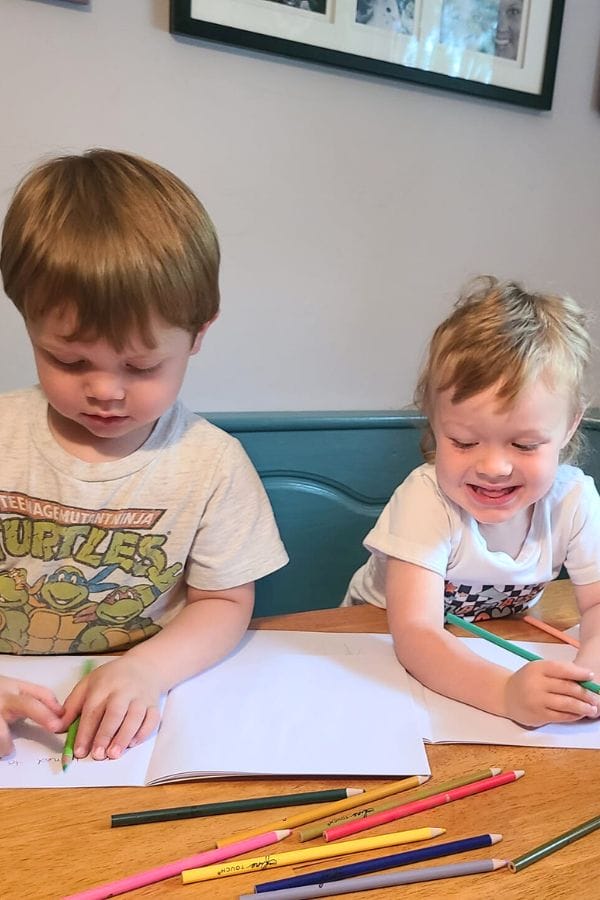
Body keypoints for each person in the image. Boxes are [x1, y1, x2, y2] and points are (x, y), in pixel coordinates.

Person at [0, 149, 288, 761]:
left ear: (198, 335)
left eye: (141, 366)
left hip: (138, 716)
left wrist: (149, 669)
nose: (105, 390)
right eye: (69, 360)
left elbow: (224, 602)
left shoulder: (212, 464)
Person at [345, 276, 600, 728]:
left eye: (524, 445)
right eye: (463, 442)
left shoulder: (574, 499)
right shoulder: (426, 499)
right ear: (435, 423)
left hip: (485, 643)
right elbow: (416, 632)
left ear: (569, 427)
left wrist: (587, 681)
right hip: (370, 647)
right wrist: (506, 693)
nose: (494, 467)